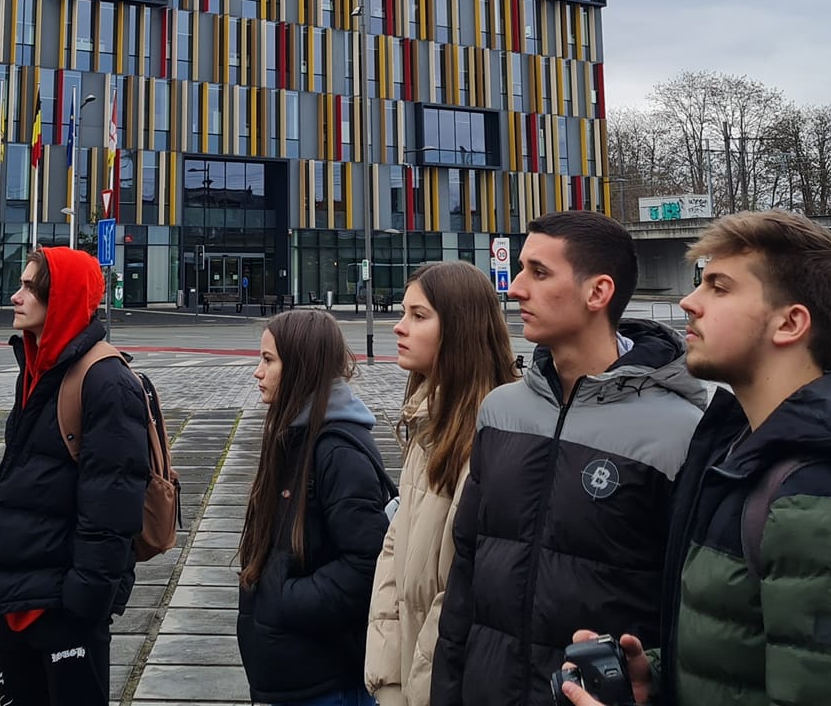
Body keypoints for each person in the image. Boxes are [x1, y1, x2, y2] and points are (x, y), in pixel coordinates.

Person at [558, 210, 831, 706]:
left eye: (719, 287)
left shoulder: (824, 511)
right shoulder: (746, 454)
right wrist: (662, 676)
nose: (689, 302)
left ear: (790, 323)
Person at [431, 211, 706, 706]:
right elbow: (465, 575)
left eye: (538, 272)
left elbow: (690, 610)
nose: (516, 288)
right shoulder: (500, 411)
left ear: (598, 292)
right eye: (521, 269)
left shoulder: (680, 431)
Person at [0, 246, 150, 706]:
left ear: (63, 299)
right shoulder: (37, 367)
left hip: (63, 607)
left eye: (31, 288)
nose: (16, 296)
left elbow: (112, 505)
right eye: (20, 285)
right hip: (19, 600)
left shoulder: (106, 382)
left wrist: (83, 605)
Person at [366, 262, 517, 706]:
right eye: (403, 312)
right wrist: (388, 680)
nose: (399, 326)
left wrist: (414, 691)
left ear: (460, 329)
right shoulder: (427, 425)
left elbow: (460, 593)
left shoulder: (488, 440)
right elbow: (393, 558)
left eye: (418, 315)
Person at [238, 308, 395, 706]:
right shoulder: (294, 435)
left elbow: (366, 563)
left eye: (269, 360)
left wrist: (283, 598)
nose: (257, 372)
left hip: (327, 682)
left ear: (300, 368)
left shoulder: (337, 452)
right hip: (299, 672)